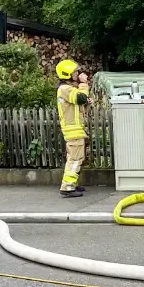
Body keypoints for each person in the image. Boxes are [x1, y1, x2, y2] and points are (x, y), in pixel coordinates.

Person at [55, 59, 89, 198]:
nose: (77, 73)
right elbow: (81, 98)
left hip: (75, 131)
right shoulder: (65, 89)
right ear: (68, 73)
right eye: (74, 72)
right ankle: (68, 187)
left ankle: (72, 183)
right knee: (75, 159)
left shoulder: (67, 90)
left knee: (76, 158)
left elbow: (78, 104)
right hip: (73, 131)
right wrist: (84, 84)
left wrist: (86, 102)